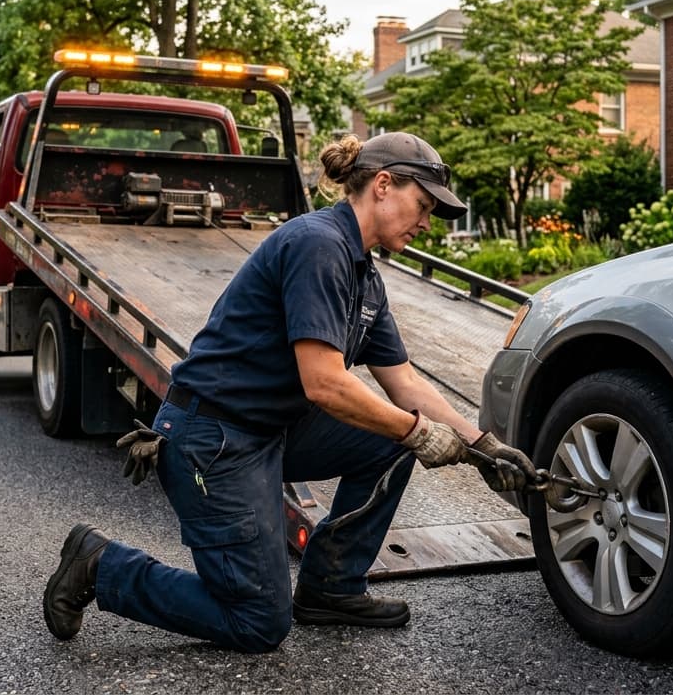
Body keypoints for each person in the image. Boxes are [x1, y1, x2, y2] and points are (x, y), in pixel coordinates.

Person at [42, 131, 535, 653]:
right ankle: (101, 565)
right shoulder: (318, 245)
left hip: (269, 428)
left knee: (390, 440)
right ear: (384, 185)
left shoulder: (365, 276)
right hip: (213, 439)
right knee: (257, 622)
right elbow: (324, 383)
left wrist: (482, 445)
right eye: (424, 205)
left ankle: (330, 588)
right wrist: (418, 432)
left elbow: (405, 382)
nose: (426, 222)